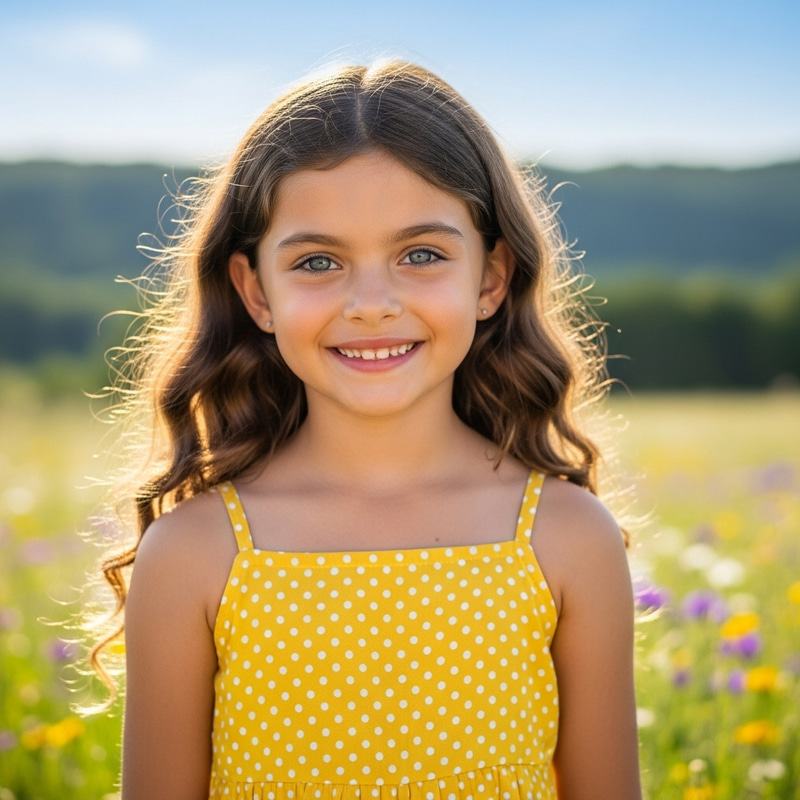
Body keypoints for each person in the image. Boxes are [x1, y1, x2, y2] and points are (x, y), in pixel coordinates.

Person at [93, 60, 641, 799]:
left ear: (491, 279)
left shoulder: (568, 537)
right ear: (256, 292)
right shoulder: (194, 553)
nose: (372, 303)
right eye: (319, 261)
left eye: (421, 255)